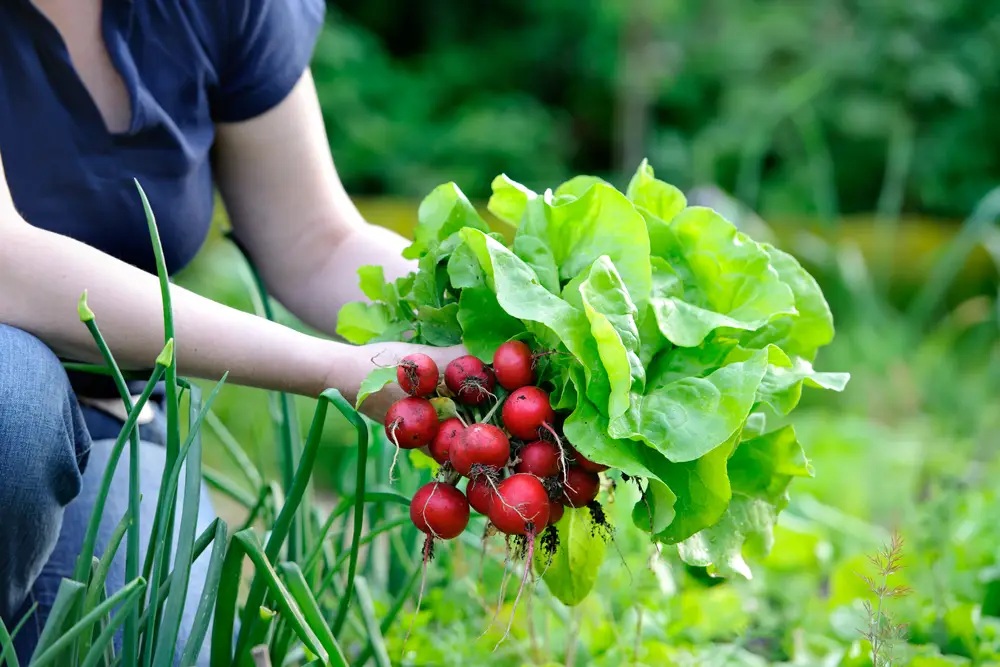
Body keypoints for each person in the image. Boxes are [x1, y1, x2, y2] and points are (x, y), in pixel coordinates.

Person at [0, 0, 464, 663]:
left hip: (110, 418)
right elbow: (6, 264)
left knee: (147, 639)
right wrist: (334, 368)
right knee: (12, 402)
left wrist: (498, 306)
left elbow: (315, 239)